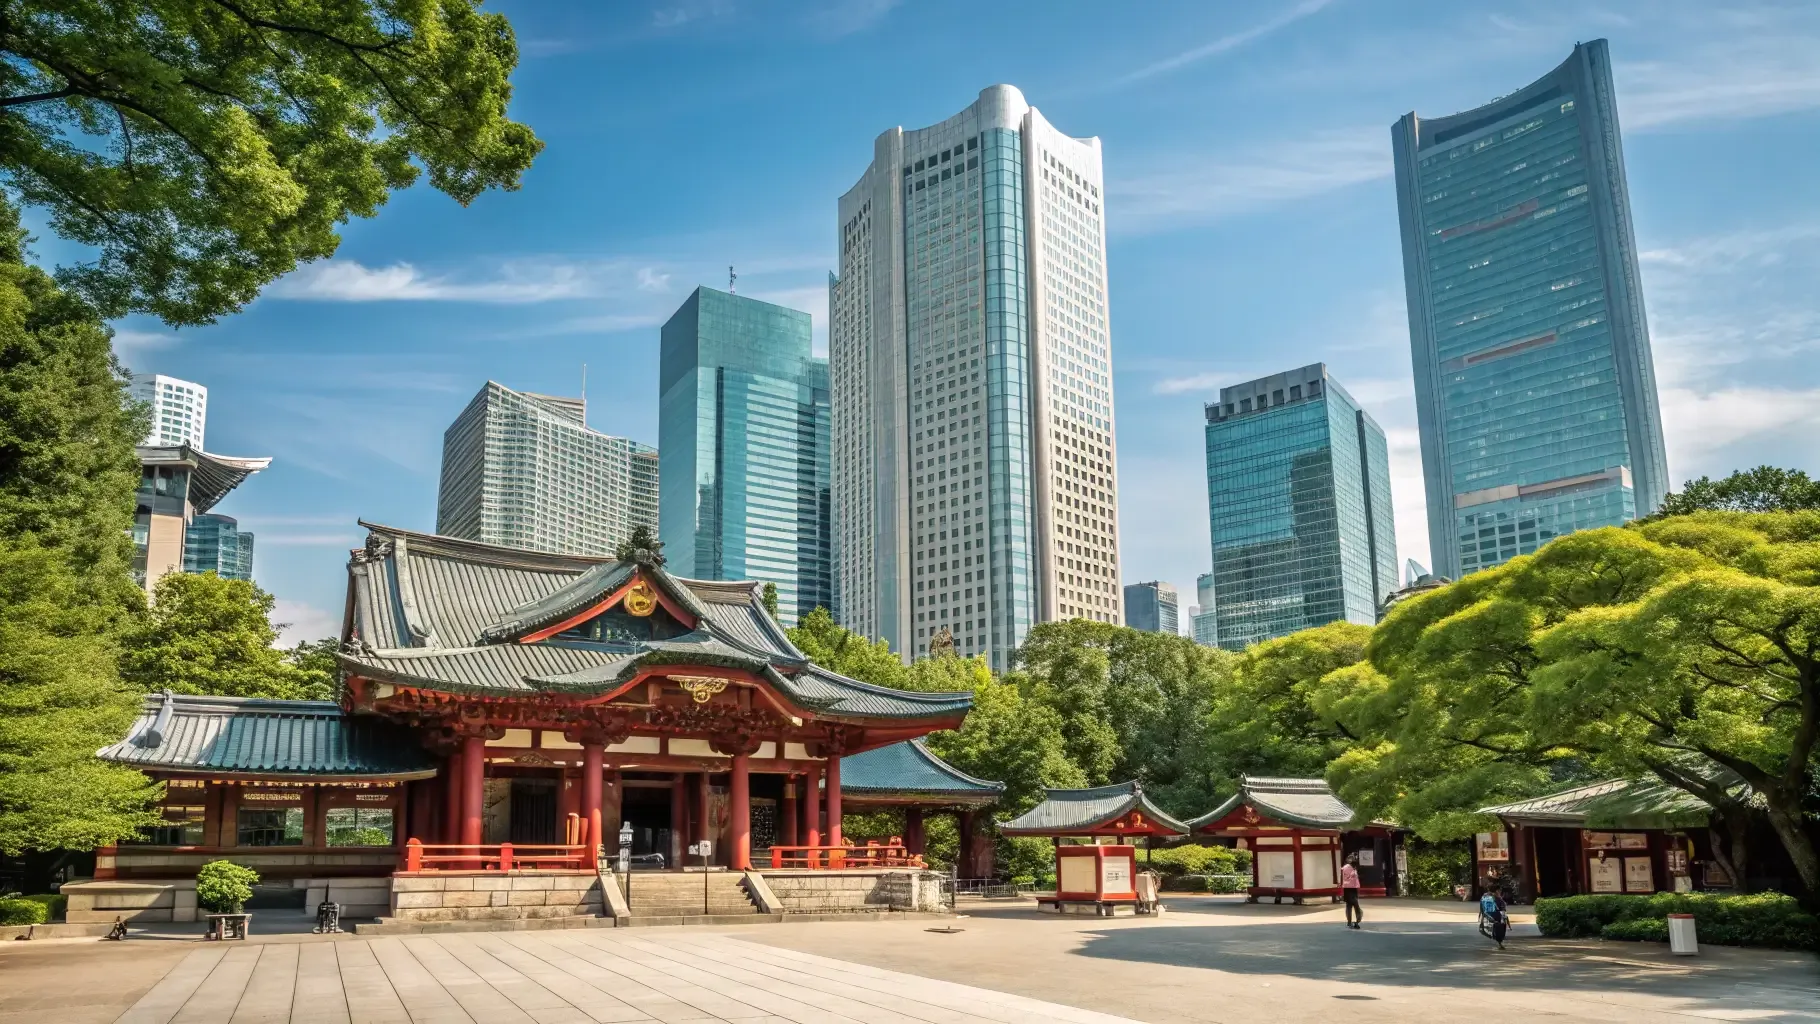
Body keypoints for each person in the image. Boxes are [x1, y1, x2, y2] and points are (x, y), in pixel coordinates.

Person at [1339, 853, 1362, 929]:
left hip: (1351, 888)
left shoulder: (1353, 868)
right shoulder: (1346, 868)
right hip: (1349, 888)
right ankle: (1356, 921)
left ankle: (1350, 922)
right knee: (1355, 905)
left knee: (1349, 905)